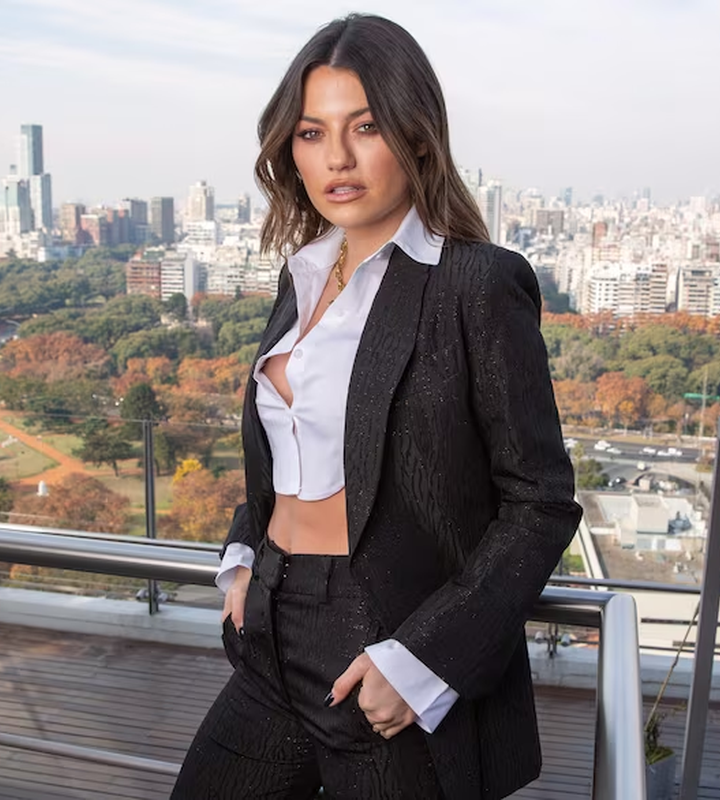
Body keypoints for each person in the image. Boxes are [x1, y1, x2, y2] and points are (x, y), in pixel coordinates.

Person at [171, 14, 582, 800]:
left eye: (365, 128)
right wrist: (244, 552)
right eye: (310, 133)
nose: (337, 158)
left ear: (418, 135)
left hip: (382, 644)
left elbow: (540, 502)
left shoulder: (474, 284)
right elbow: (292, 453)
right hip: (269, 623)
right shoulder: (303, 277)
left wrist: (423, 656)